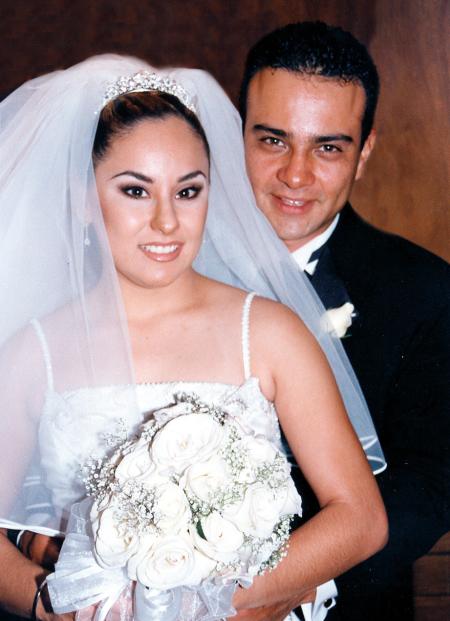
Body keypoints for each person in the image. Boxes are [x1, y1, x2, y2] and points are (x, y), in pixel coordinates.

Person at [0, 56, 387, 620]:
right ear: (85, 199)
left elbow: (361, 518)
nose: (166, 222)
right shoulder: (34, 353)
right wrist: (49, 605)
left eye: (188, 191)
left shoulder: (270, 332)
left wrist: (206, 603)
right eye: (135, 191)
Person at [238, 20, 450, 621]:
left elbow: (435, 479)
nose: (296, 175)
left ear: (365, 153)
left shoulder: (425, 290)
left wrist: (297, 587)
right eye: (273, 140)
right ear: (238, 135)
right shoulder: (160, 264)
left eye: (327, 147)